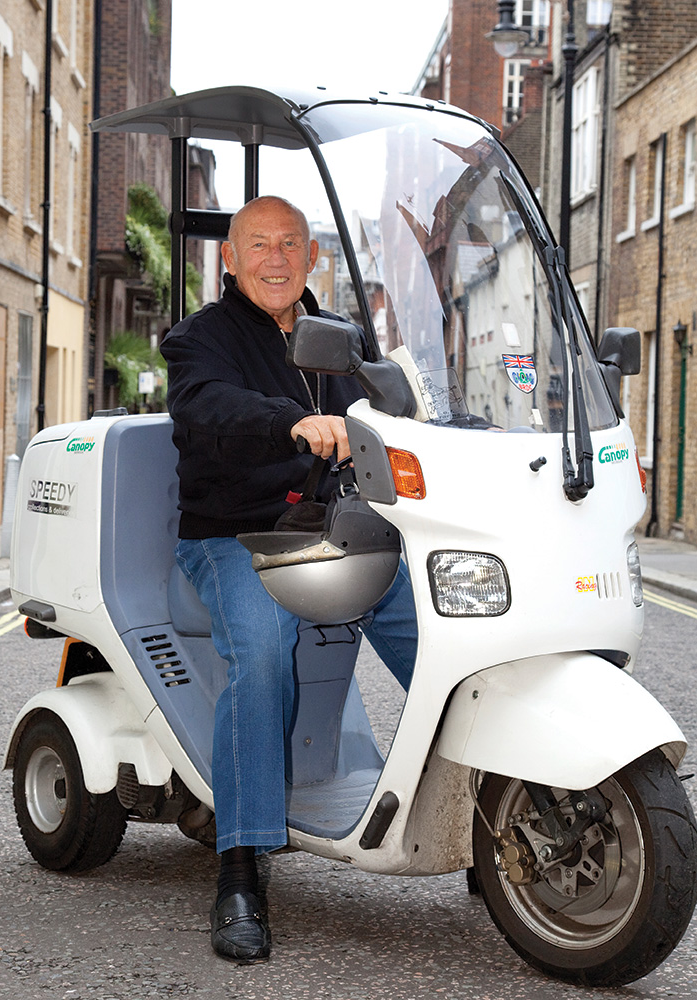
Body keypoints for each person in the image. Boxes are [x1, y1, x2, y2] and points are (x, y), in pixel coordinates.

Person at [160, 196, 417, 965]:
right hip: (233, 534)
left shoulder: (340, 337)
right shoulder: (198, 340)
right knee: (265, 649)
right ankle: (240, 867)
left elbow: (398, 406)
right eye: (258, 244)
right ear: (230, 260)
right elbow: (208, 403)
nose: (276, 257)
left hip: (335, 530)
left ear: (312, 258)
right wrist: (292, 422)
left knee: (444, 626)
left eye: (291, 244)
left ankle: (500, 798)